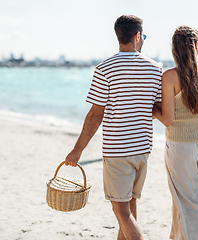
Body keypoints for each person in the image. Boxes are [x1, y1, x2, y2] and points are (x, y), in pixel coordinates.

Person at [65, 15, 162, 240]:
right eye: (143, 36)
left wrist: (77, 150)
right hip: (143, 149)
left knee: (121, 212)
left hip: (118, 151)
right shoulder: (155, 68)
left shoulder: (105, 69)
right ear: (137, 36)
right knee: (130, 207)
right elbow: (157, 110)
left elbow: (95, 116)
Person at [153, 25, 198, 240]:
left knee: (189, 204)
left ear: (174, 49)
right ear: (195, 47)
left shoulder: (170, 76)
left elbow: (167, 119)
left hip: (180, 147)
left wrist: (151, 107)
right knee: (185, 200)